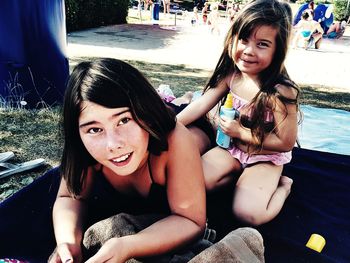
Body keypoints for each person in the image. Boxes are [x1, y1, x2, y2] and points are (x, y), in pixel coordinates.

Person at [48, 58, 206, 262]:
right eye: (95, 129)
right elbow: (70, 197)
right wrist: (67, 241)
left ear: (145, 114)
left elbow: (191, 220)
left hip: (184, 128)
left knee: (199, 143)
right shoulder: (82, 145)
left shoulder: (176, 138)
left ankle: (187, 99)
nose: (112, 144)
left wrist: (128, 246)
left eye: (124, 120)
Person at [177, 0, 300, 226]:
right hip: (231, 150)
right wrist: (171, 124)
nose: (249, 51)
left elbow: (285, 142)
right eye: (244, 39)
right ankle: (236, 177)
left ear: (278, 49)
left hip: (266, 158)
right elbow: (201, 104)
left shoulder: (281, 92)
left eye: (262, 44)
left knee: (249, 214)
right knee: (191, 183)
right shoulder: (232, 76)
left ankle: (283, 187)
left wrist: (241, 132)